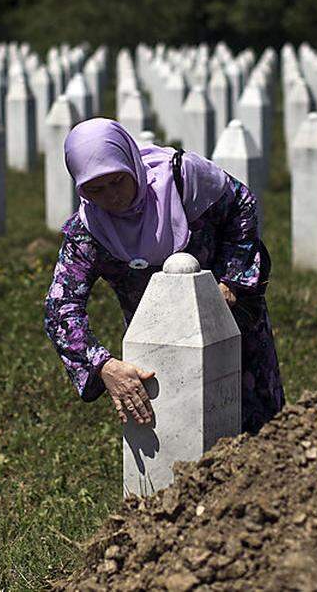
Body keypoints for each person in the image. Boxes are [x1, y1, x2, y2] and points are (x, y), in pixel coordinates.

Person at [43, 118, 284, 434]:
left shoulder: (184, 180)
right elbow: (60, 308)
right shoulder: (89, 233)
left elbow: (241, 204)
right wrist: (103, 365)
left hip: (231, 320)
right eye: (96, 189)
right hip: (157, 343)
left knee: (260, 424)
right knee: (178, 435)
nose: (112, 196)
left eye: (118, 181)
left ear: (131, 163)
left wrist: (232, 281)